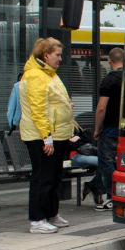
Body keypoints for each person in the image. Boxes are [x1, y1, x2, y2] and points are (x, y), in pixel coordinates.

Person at [20, 37, 77, 234]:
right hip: (42, 136)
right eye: (57, 55)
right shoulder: (36, 75)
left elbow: (53, 101)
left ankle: (51, 214)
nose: (60, 59)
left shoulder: (49, 74)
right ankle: (37, 219)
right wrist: (47, 137)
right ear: (46, 55)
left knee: (53, 177)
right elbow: (38, 108)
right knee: (43, 177)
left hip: (56, 134)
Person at [85, 47, 124, 211]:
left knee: (107, 163)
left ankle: (111, 196)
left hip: (109, 131)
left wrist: (96, 129)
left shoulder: (109, 80)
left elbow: (101, 107)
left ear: (109, 61)